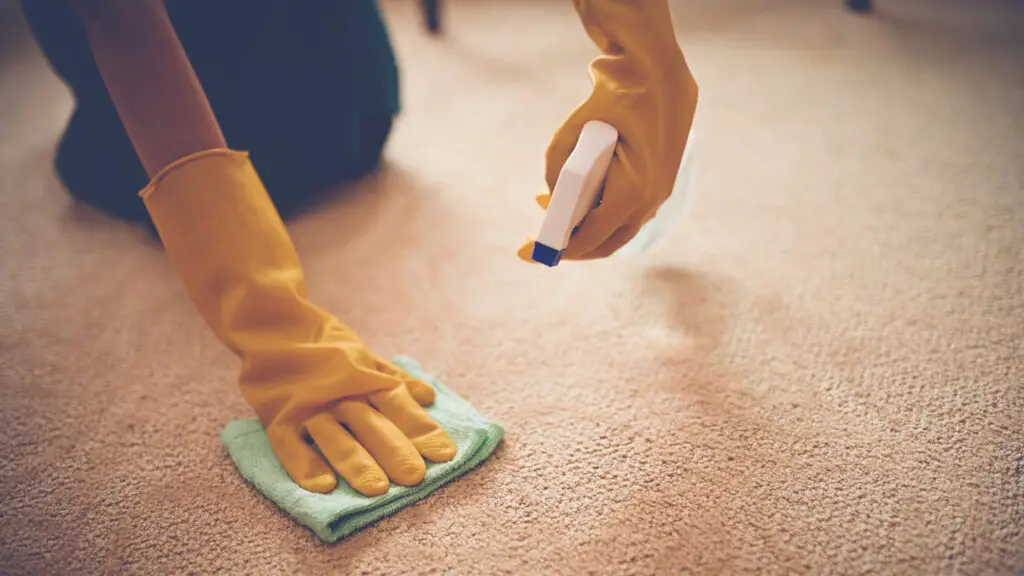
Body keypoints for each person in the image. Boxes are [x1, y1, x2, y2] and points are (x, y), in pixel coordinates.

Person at [22, 0, 699, 496]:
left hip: (343, 82)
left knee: (340, 119)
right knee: (129, 156)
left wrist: (637, 49)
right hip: (146, 42)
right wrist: (265, 314)